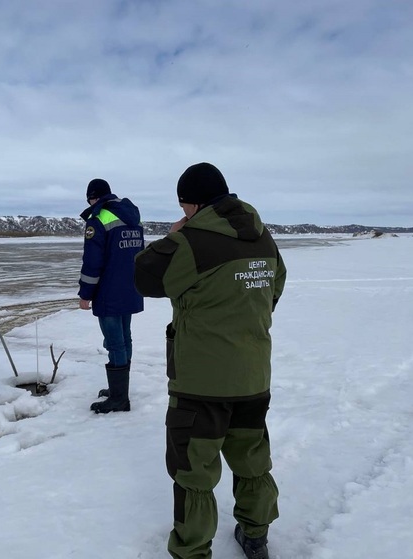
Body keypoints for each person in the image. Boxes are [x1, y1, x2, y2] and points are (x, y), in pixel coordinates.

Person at [134, 163, 286, 559]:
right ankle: (256, 536)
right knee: (252, 459)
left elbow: (144, 276)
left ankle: (193, 551)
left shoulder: (191, 242)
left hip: (201, 384)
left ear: (194, 204)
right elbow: (275, 289)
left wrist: (174, 235)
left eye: (184, 206)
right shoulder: (264, 239)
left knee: (194, 475)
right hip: (253, 375)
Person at [78, 178, 144, 414]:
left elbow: (93, 262)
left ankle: (119, 398)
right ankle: (120, 390)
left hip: (109, 291)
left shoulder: (99, 219)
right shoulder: (132, 217)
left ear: (93, 197)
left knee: (115, 342)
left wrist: (85, 294)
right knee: (125, 338)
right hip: (131, 288)